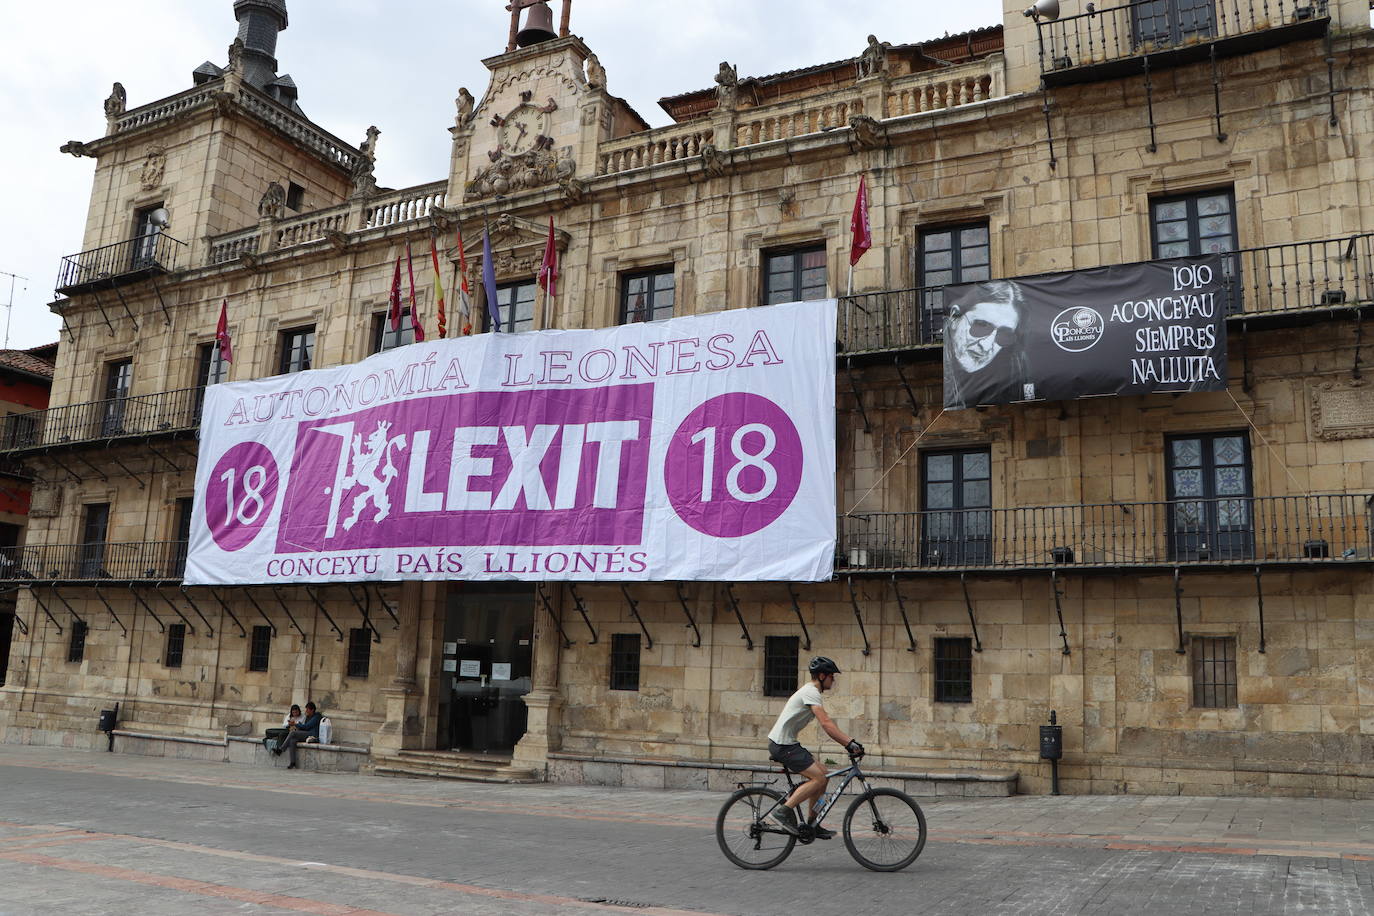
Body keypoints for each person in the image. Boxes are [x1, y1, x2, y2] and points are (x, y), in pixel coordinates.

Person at [765, 657, 864, 839]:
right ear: (821, 676)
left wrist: (848, 742)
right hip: (782, 745)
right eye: (831, 676)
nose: (833, 680)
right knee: (818, 779)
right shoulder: (811, 692)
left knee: (823, 774)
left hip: (788, 744)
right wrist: (849, 743)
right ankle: (783, 812)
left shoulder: (812, 692)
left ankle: (813, 823)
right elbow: (826, 723)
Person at [942, 280, 1031, 409]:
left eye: (1004, 335)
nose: (986, 345)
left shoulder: (1016, 370)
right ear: (955, 318)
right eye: (981, 326)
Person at [275, 701, 321, 770]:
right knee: (292, 741)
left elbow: (306, 727)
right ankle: (292, 763)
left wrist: (295, 724)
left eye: (307, 709)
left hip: (312, 734)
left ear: (312, 710)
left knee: (293, 733)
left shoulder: (316, 717)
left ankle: (281, 749)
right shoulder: (309, 716)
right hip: (306, 733)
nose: (306, 711)